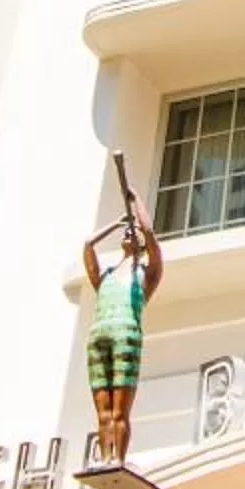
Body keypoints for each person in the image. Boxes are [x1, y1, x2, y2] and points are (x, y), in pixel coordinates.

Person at [81, 156, 164, 465]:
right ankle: (104, 458)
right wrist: (115, 224)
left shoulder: (145, 273)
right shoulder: (105, 274)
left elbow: (151, 235)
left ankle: (118, 458)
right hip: (99, 337)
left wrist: (136, 201)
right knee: (102, 410)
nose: (129, 235)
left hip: (126, 336)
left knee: (119, 410)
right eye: (125, 234)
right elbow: (88, 246)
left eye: (133, 234)